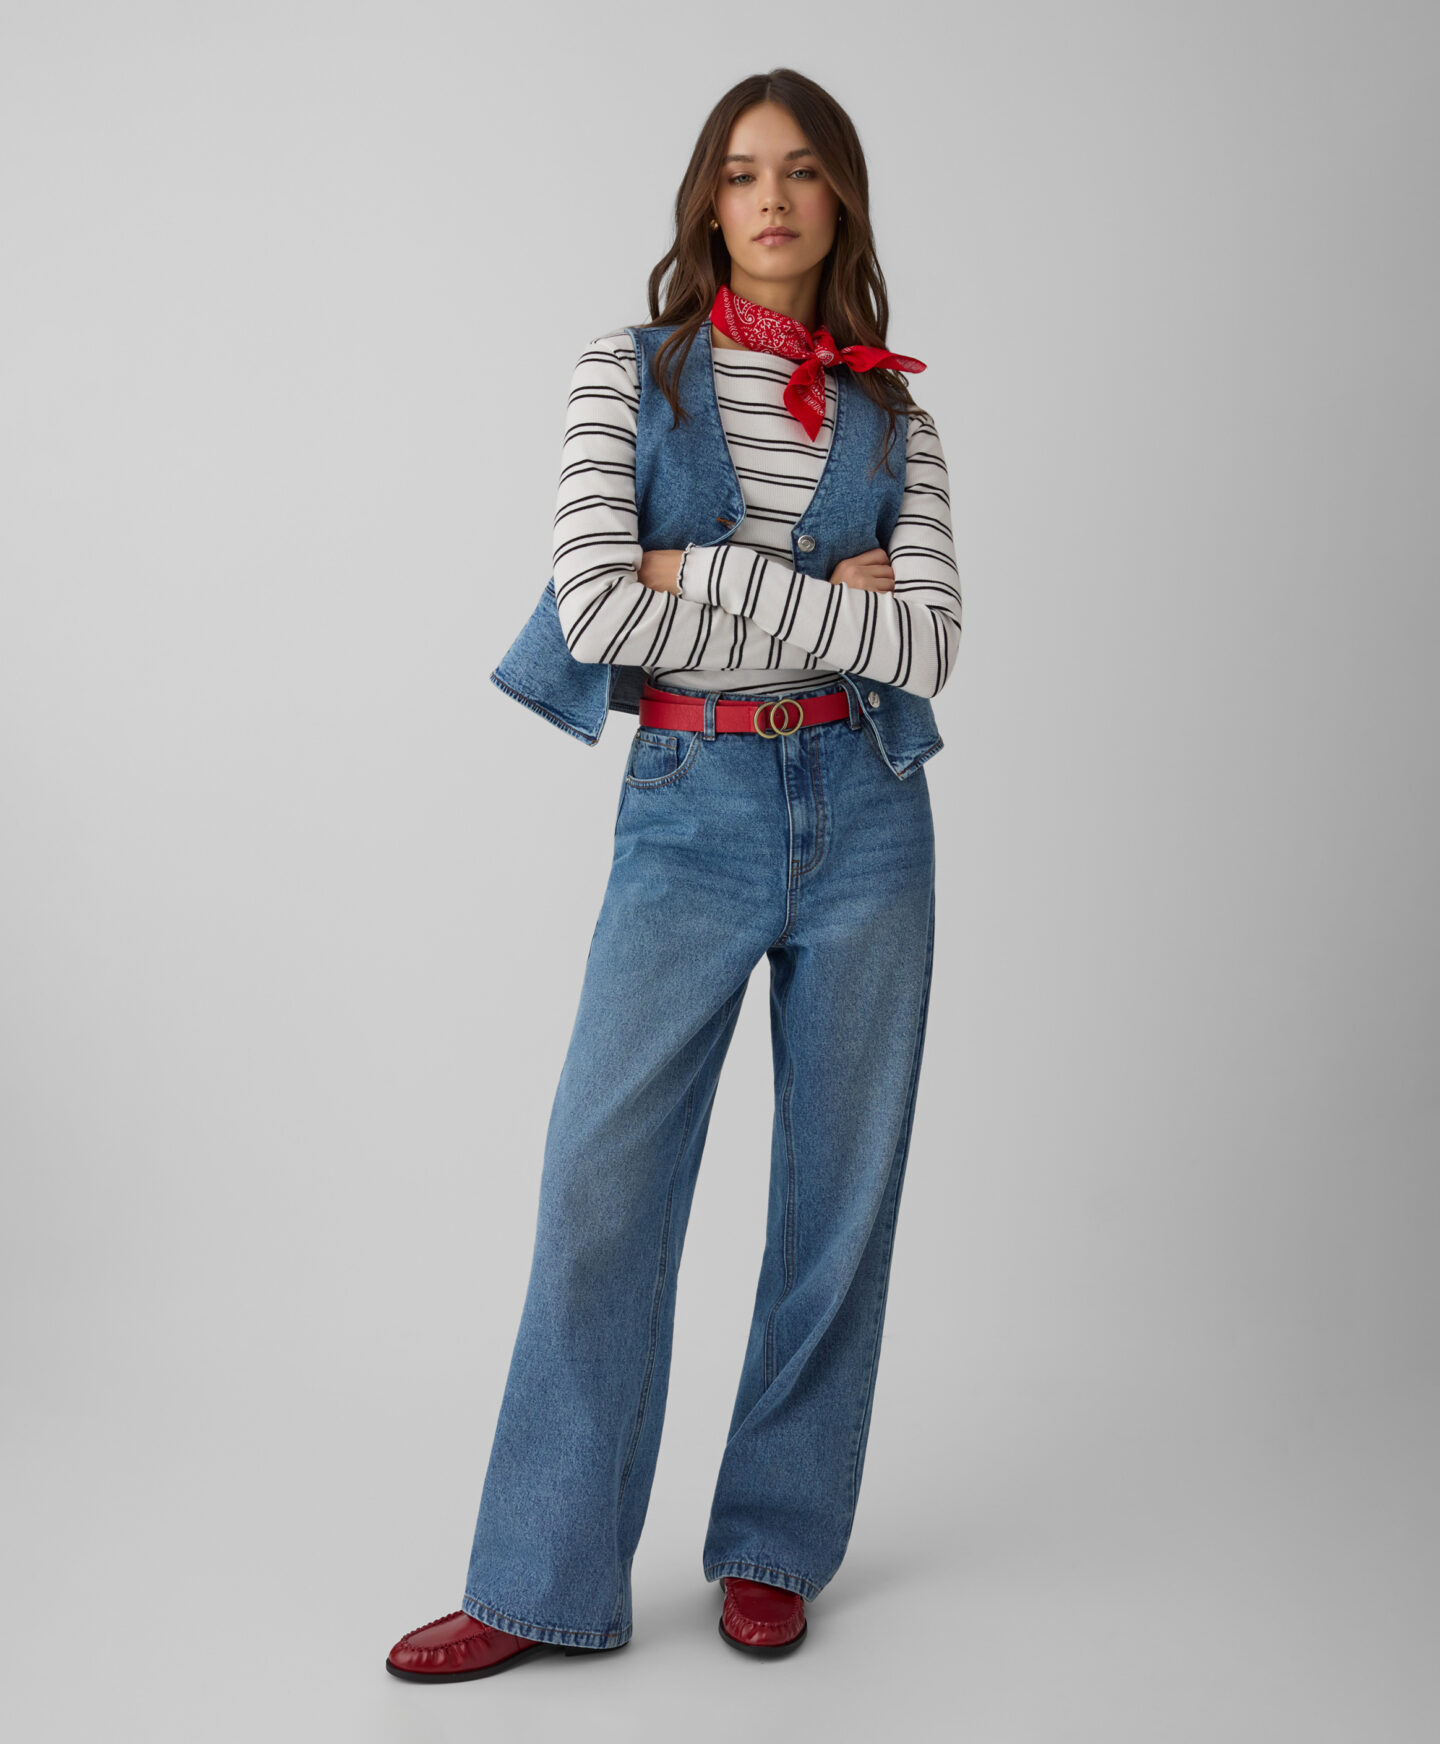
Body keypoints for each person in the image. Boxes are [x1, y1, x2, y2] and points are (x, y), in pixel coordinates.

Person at [386, 66, 961, 1684]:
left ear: (840, 200)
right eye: (741, 170)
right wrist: (817, 594)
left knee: (838, 1200)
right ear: (708, 201)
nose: (771, 196)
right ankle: (540, 1579)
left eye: (802, 170)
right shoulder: (623, 375)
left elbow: (930, 648)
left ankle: (776, 1544)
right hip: (690, 805)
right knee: (602, 1187)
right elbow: (593, 606)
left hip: (869, 812)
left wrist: (694, 569)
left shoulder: (900, 419)